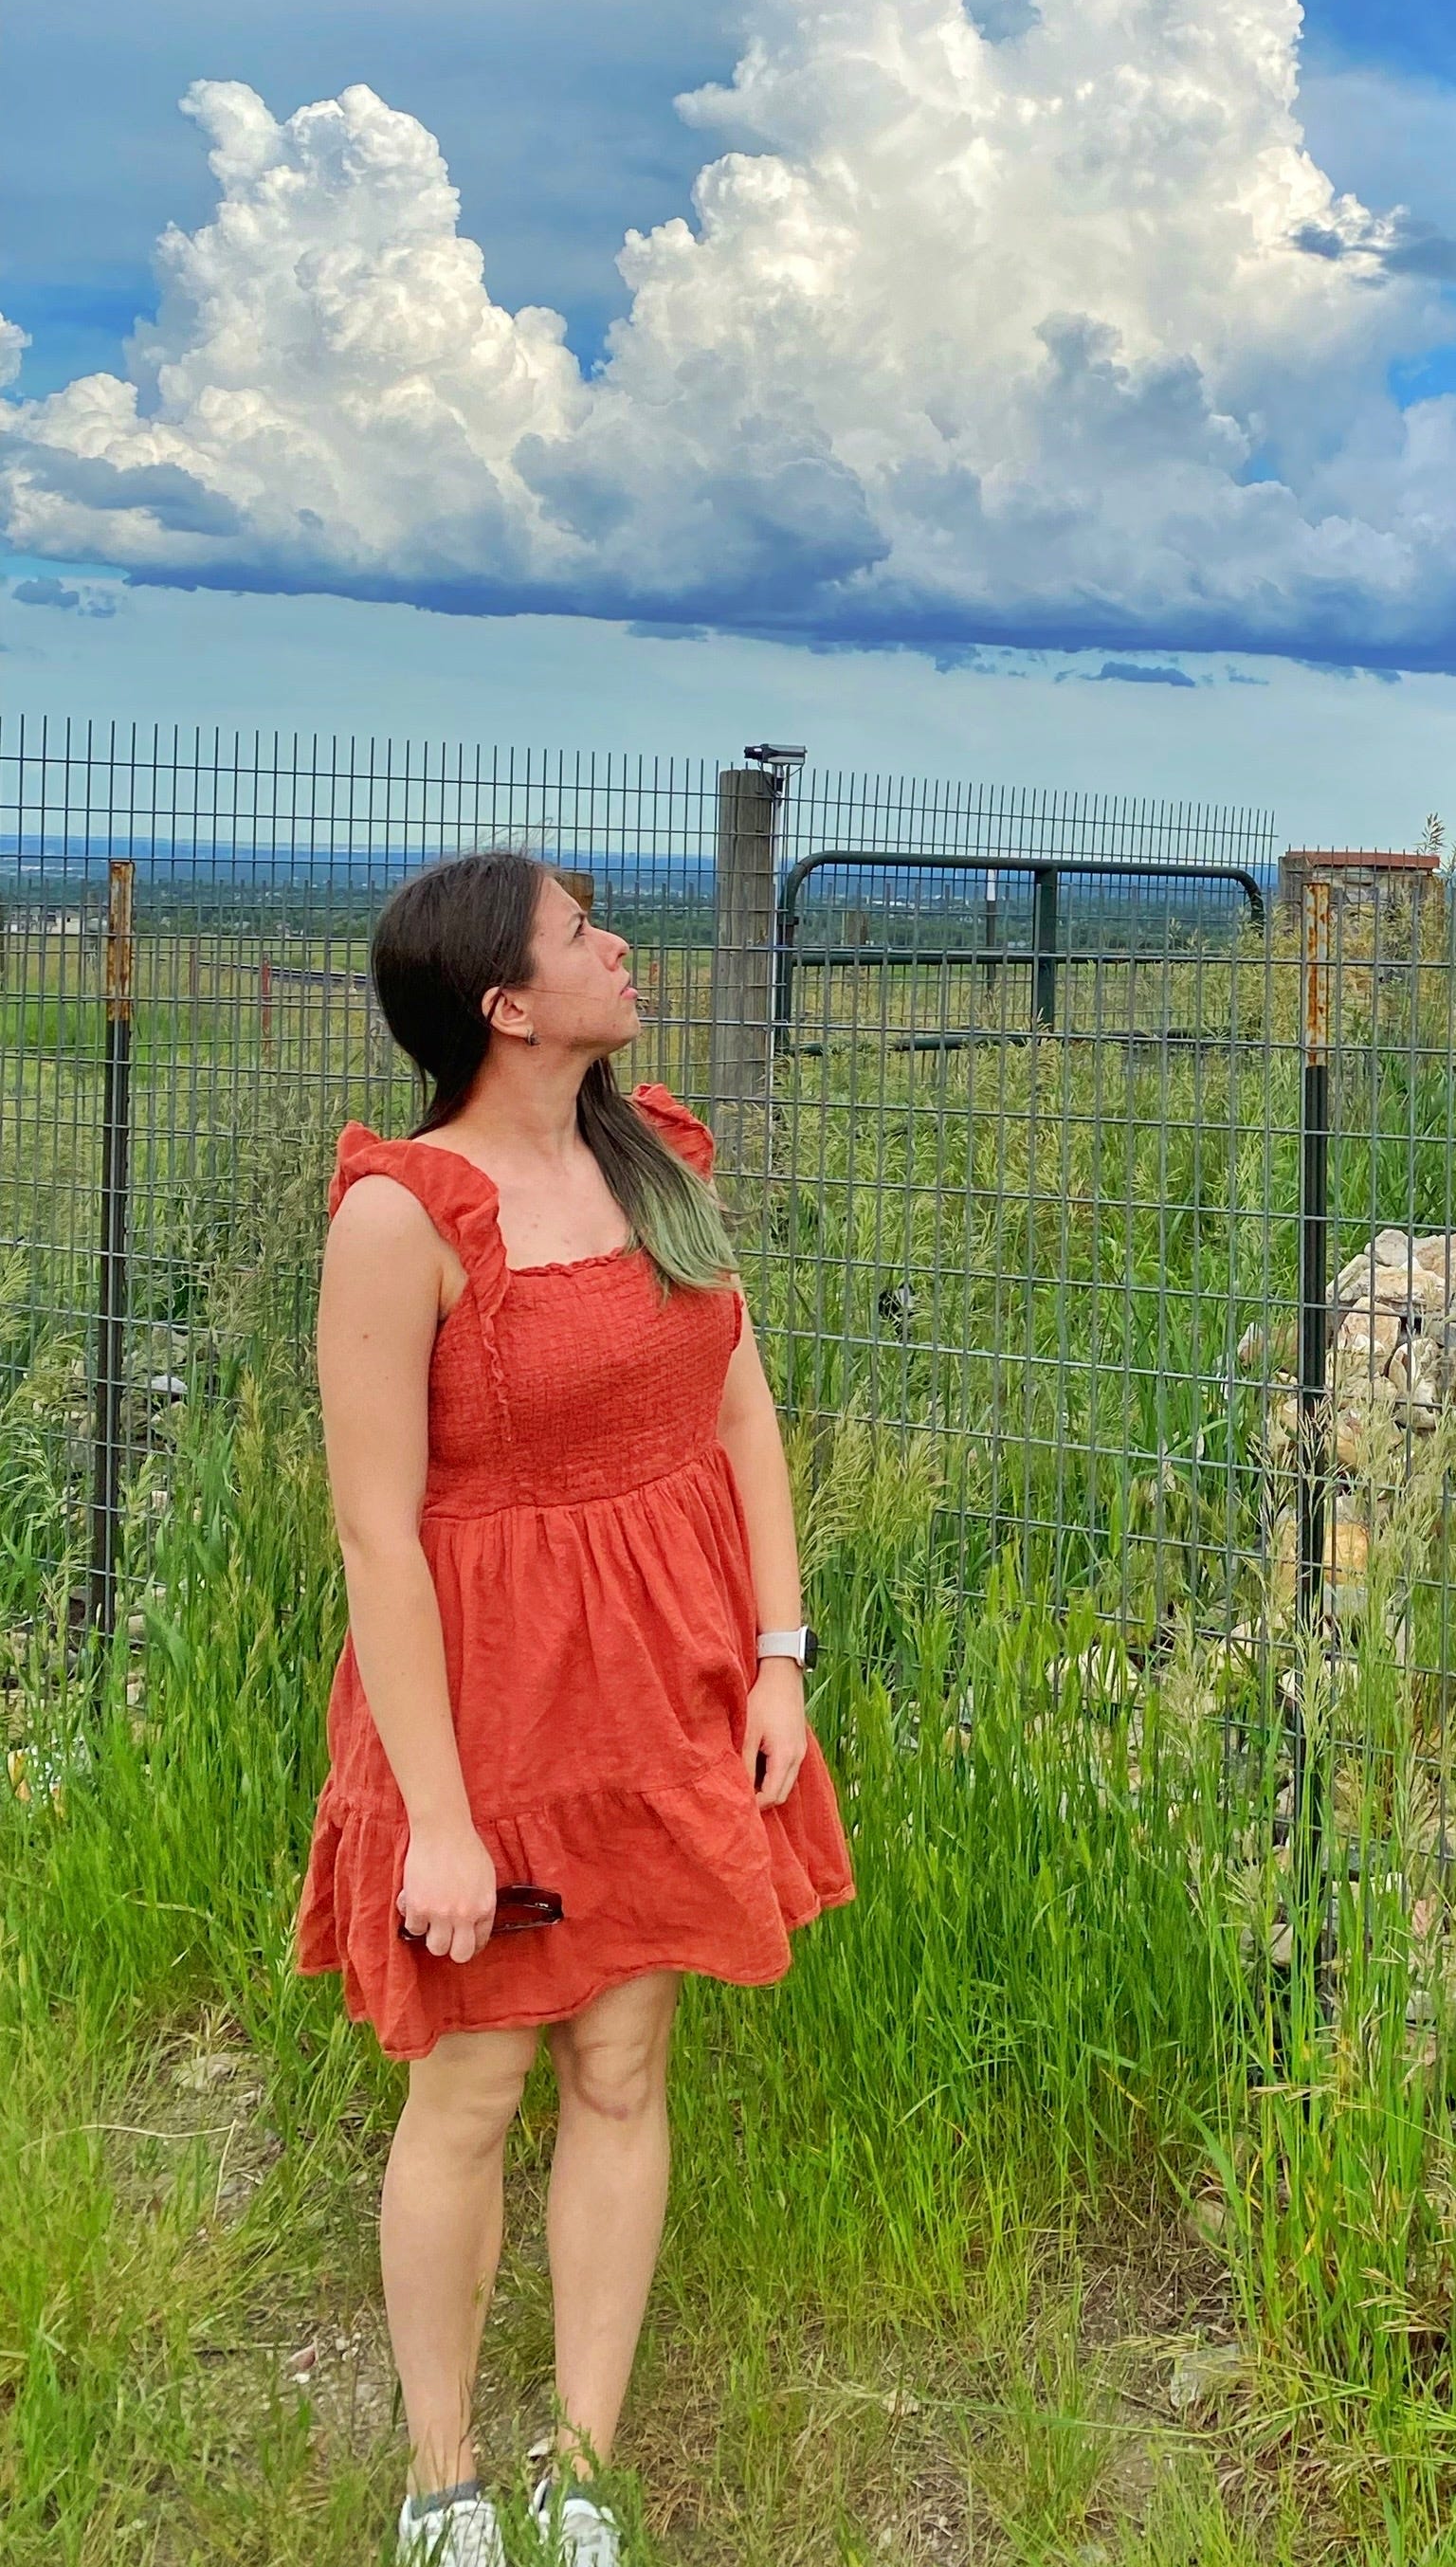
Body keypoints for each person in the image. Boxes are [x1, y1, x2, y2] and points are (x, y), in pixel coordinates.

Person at [296, 851, 854, 2566]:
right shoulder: (403, 1215)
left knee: (626, 2055)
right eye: (583, 931)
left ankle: (584, 2463)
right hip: (487, 1709)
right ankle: (443, 2480)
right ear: (507, 1006)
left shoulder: (653, 1156)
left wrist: (780, 1656)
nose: (622, 944)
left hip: (670, 1685)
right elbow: (376, 1537)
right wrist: (444, 1820)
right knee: (474, 2077)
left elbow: (740, 1416)